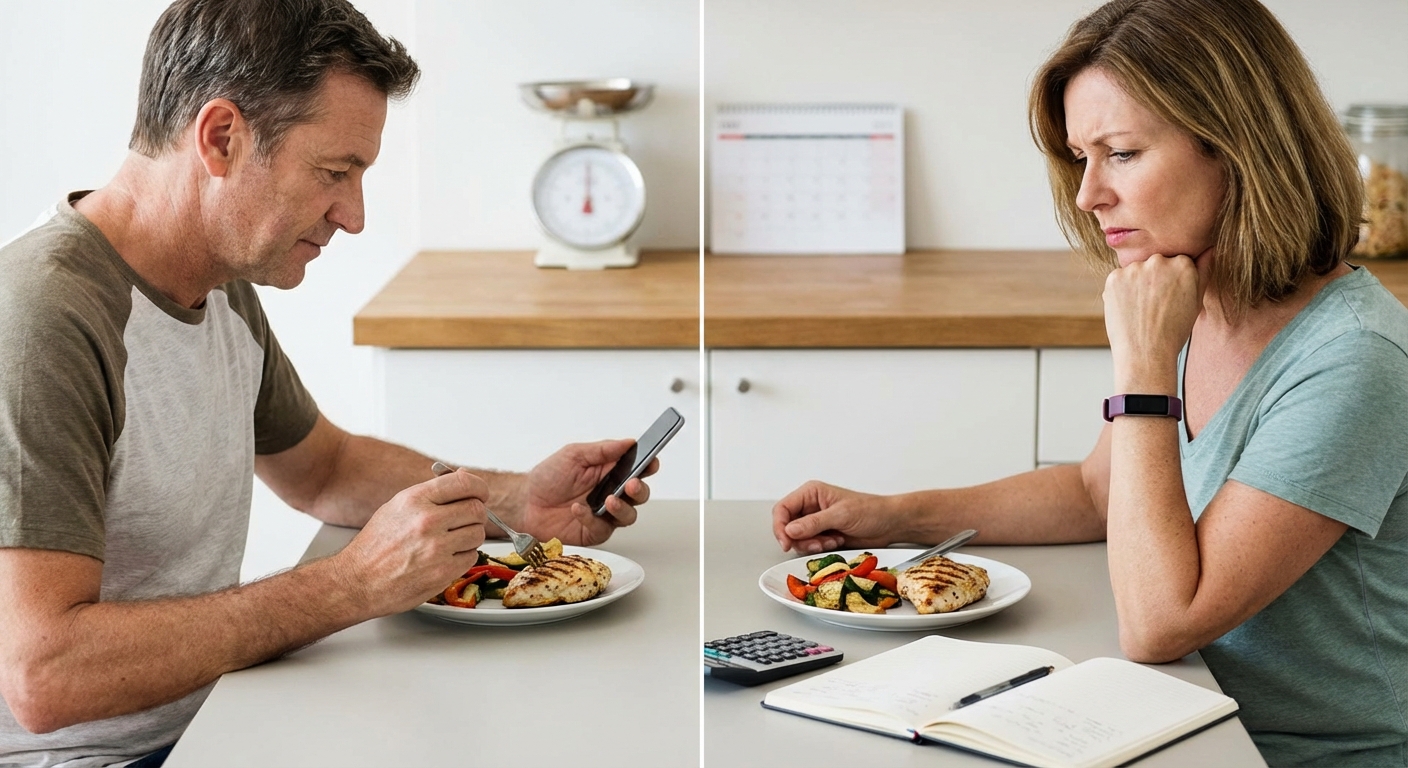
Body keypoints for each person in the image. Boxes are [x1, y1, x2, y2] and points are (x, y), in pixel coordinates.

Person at [0, 1, 656, 765]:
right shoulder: (44, 320)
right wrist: (349, 587)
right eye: (334, 172)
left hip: (222, 715)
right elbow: (43, 674)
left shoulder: (216, 281)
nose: (353, 215)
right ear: (221, 138)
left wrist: (514, 501)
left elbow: (325, 469)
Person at [772, 0, 1408, 764]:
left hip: (1289, 753)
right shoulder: (1193, 294)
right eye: (1081, 157)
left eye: (1123, 153)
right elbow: (1097, 493)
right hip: (1183, 720)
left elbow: (1163, 621)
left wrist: (1142, 371)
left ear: (1238, 148)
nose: (1087, 195)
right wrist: (897, 517)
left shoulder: (1353, 359)